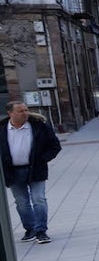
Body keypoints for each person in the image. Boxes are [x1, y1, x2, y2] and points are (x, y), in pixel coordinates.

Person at [2, 100, 62, 244]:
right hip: (12, 171)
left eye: (26, 110)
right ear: (10, 113)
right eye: (20, 111)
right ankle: (30, 229)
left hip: (35, 169)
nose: (25, 113)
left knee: (38, 199)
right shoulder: (2, 129)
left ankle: (41, 231)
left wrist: (42, 159)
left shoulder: (38, 126)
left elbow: (55, 146)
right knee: (21, 202)